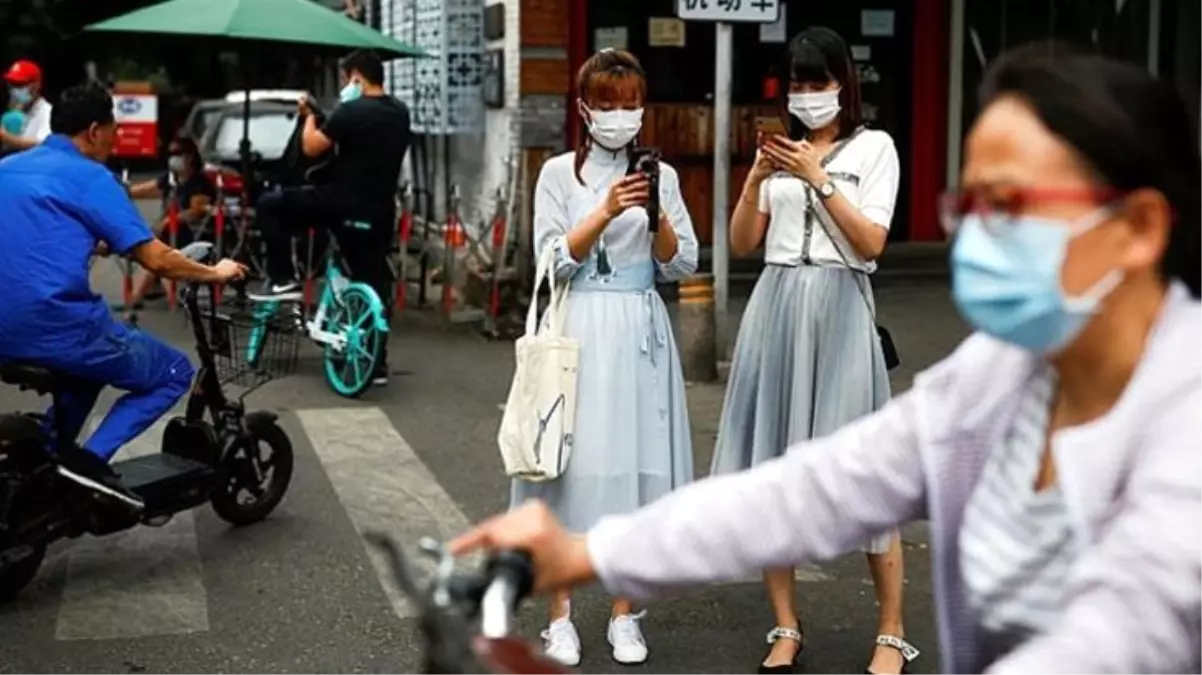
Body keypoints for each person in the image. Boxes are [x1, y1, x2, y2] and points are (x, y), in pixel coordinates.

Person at [451, 44, 1202, 675]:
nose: (977, 237)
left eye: (1008, 206)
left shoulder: (1185, 411)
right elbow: (812, 489)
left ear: (1137, 225)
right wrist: (585, 549)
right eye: (966, 207)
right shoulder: (997, 377)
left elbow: (1131, 622)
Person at [712, 27, 911, 675]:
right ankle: (785, 623)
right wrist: (754, 182)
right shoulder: (782, 150)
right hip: (775, 307)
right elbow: (743, 243)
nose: (807, 96)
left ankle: (891, 629)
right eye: (796, 85)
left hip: (839, 307)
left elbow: (871, 242)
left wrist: (818, 178)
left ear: (842, 84)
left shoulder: (875, 147)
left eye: (817, 83)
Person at [510, 48, 699, 667]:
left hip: (640, 327)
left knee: (638, 469)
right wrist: (606, 211)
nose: (621, 116)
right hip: (579, 328)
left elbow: (681, 263)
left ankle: (626, 611)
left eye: (632, 104)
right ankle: (559, 616)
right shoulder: (558, 174)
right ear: (584, 108)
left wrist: (654, 214)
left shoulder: (661, 177)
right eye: (609, 104)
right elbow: (550, 260)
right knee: (570, 469)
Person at [0, 83, 246, 510]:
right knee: (172, 371)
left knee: (88, 370)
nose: (115, 137)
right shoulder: (93, 178)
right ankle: (87, 469)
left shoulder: (8, 168)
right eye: (113, 127)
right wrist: (215, 272)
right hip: (59, 327)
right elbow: (159, 260)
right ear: (95, 130)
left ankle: (46, 461)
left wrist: (87, 243)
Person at [248, 49, 411, 387]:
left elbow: (311, 148)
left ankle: (283, 278)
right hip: (379, 210)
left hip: (339, 203)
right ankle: (376, 364)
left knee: (270, 205)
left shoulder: (351, 111)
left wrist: (309, 115)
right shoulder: (400, 113)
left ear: (355, 77)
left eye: (345, 80)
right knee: (374, 280)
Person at [114, 137, 216, 319]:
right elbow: (144, 190)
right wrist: (118, 189)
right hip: (170, 233)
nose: (173, 158)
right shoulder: (170, 179)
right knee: (145, 242)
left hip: (194, 234)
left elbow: (196, 211)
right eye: (170, 154)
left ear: (190, 156)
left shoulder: (199, 181)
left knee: (155, 247)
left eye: (177, 153)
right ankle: (153, 287)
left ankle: (136, 297)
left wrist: (171, 220)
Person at [0, 59, 51, 150]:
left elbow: (42, 144)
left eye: (20, 84)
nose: (14, 89)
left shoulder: (46, 112)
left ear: (36, 85)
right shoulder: (21, 111)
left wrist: (5, 137)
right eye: (12, 84)